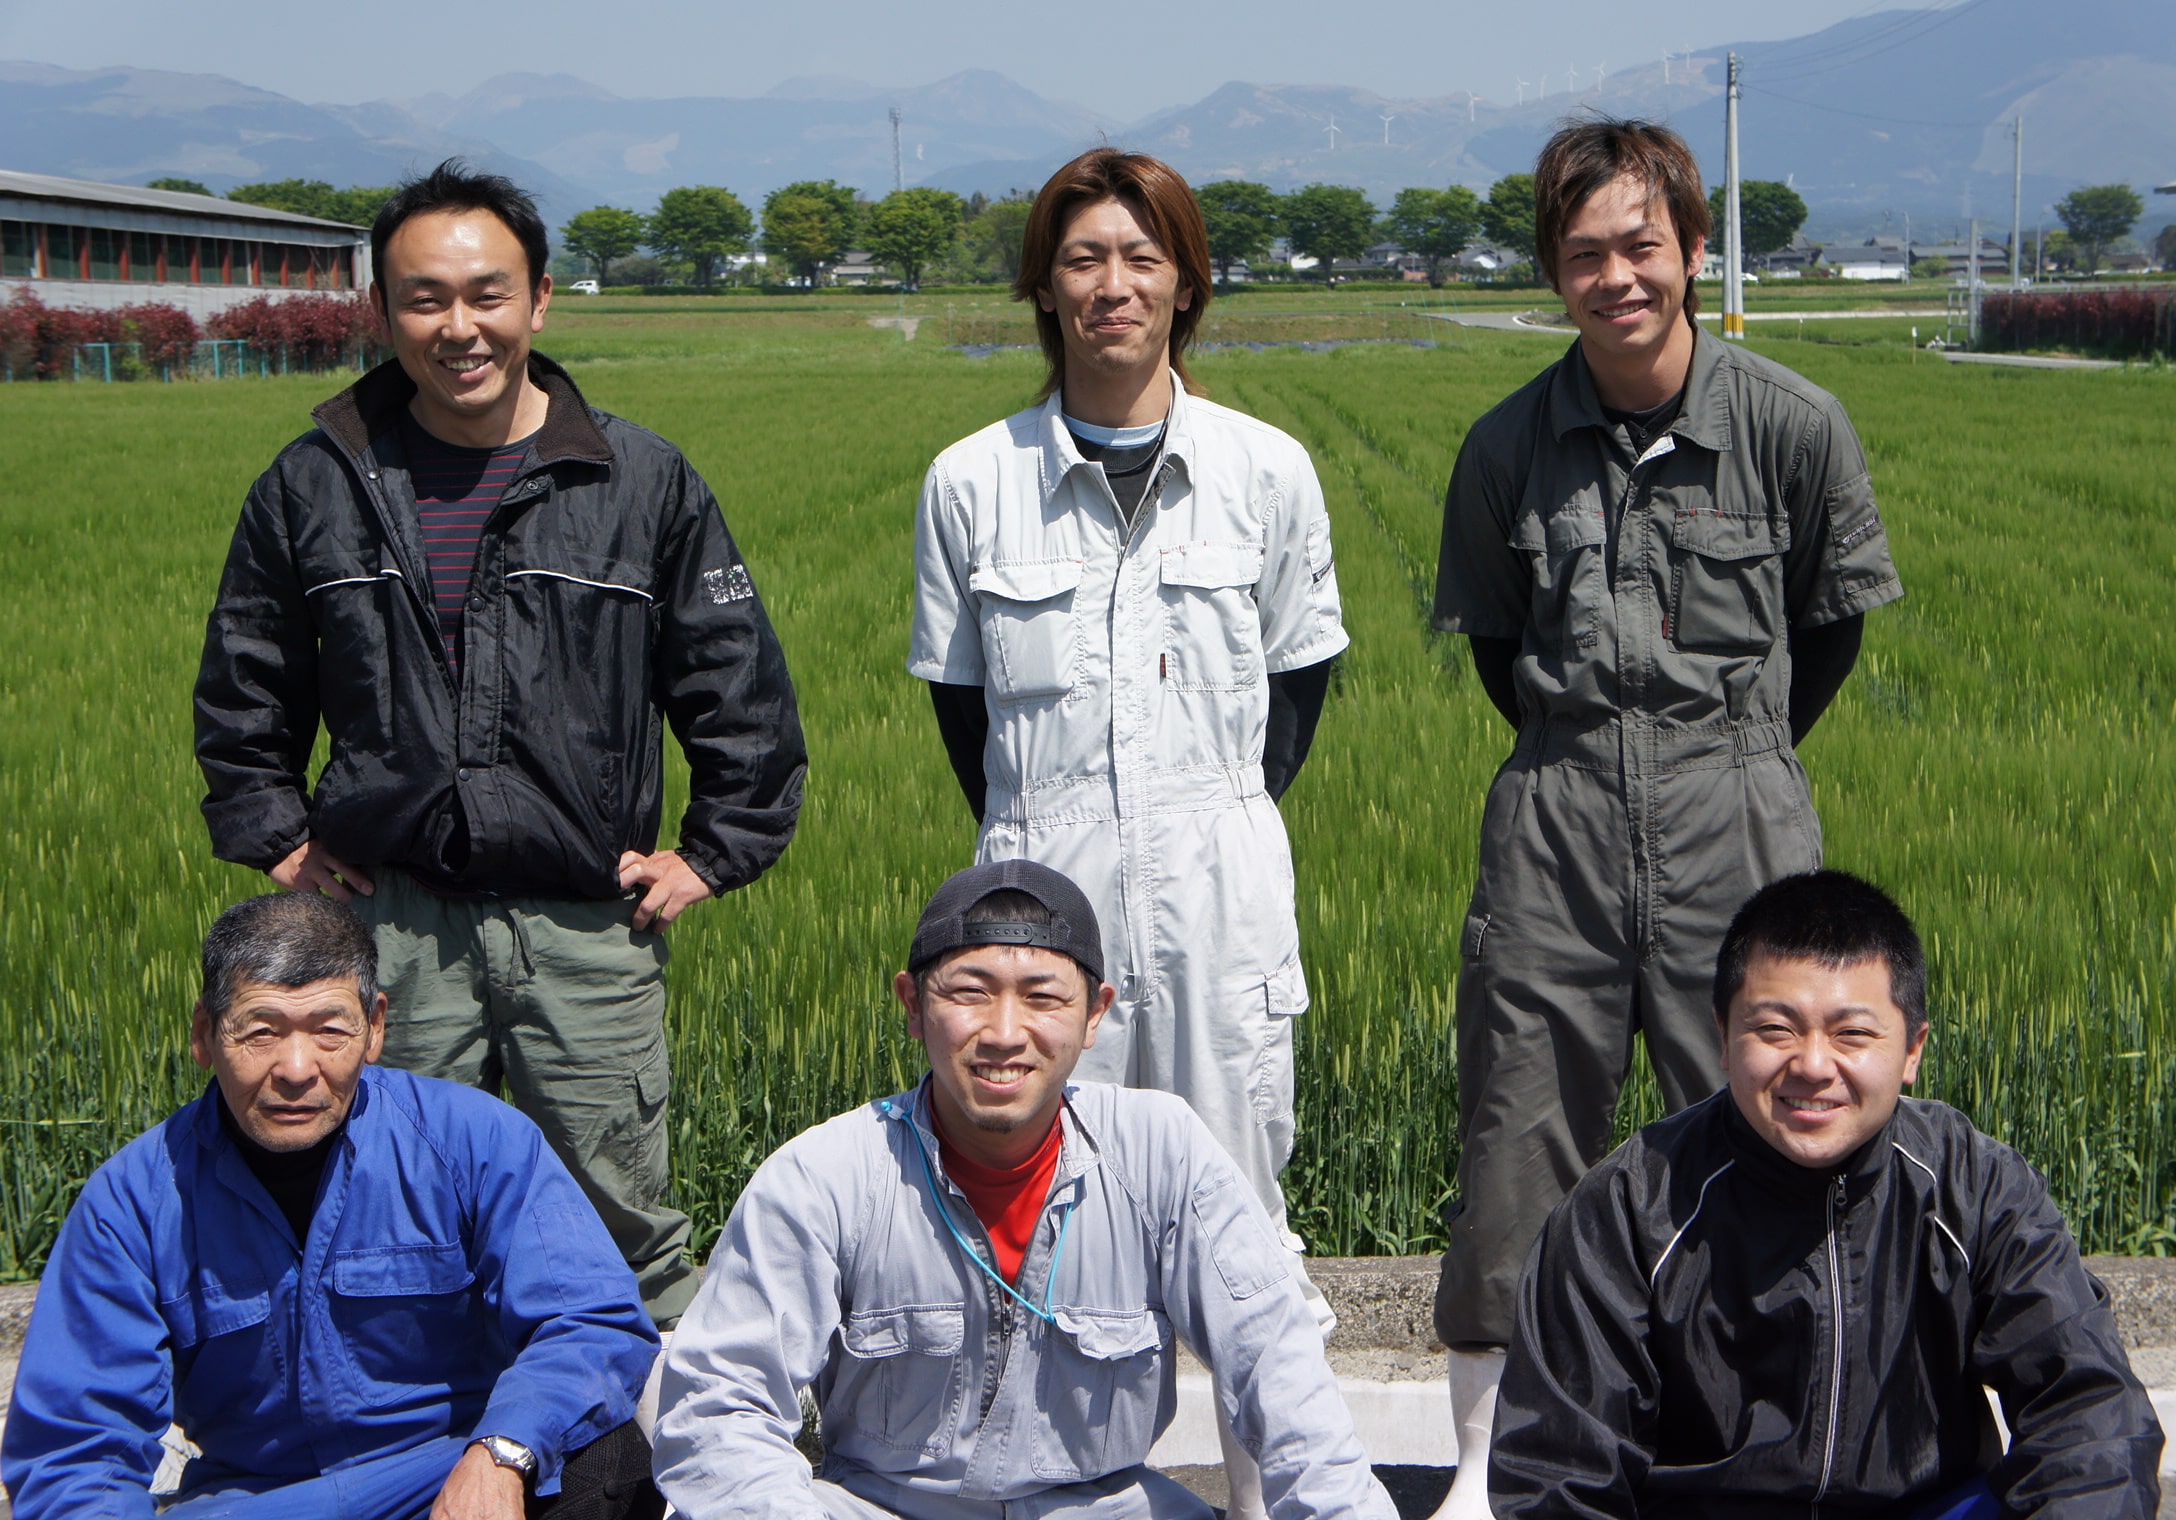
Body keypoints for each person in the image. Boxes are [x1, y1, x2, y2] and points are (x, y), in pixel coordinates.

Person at [193, 159, 807, 1325]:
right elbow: (244, 676)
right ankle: (422, 1456)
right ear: (382, 310)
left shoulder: (640, 479)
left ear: (539, 301)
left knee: (618, 1220)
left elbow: (737, 683)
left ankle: (651, 1471)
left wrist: (716, 849)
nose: (457, 326)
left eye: (486, 293)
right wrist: (275, 835)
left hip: (585, 923)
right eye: (424, 297)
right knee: (390, 1210)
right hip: (391, 926)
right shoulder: (315, 481)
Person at [1425, 119, 1906, 1515]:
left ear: (1695, 251)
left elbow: (1828, 635)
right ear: (1554, 272)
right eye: (1586, 254)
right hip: (1557, 812)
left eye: (1643, 245)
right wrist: (1598, 760)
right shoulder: (1507, 447)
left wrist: (1732, 759)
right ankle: (1488, 1462)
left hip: (1737, 809)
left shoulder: (1791, 426)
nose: (1617, 277)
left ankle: (1775, 1437)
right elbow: (1499, 656)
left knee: (1771, 1117)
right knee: (1521, 1131)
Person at [905, 154, 1346, 1461]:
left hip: (1220, 901)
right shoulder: (971, 481)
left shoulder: (1266, 471)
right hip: (1039, 907)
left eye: (1143, 258)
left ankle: (1276, 1494)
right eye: (1085, 258)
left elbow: (1295, 695)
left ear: (1186, 284)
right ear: (1045, 287)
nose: (1114, 285)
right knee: (1046, 1219)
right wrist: (1054, 840)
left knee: (1243, 1228)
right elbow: (964, 717)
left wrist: (1197, 826)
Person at [650, 860, 1396, 1520]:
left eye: (1043, 998)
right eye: (969, 993)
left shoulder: (1162, 1152)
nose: (1005, 1032)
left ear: (1095, 1014)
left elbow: (1280, 1370)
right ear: (912, 1005)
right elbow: (721, 1408)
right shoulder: (824, 1178)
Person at [1489, 870, 2163, 1519]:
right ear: (1723, 1037)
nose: (1813, 1066)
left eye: (1852, 1034)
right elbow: (1558, 1480)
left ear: (1912, 1050)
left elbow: (2092, 1415)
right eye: (1775, 1029)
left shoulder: (1976, 1188)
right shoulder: (1627, 1210)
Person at [0, 892, 664, 1520]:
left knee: (606, 1464)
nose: (295, 1067)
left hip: (444, 1483)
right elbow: (74, 1452)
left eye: (329, 1030)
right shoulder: (132, 1202)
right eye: (260, 1031)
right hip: (260, 1502)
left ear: (374, 1028)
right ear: (205, 1033)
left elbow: (592, 1322)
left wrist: (503, 1453)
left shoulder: (477, 1142)